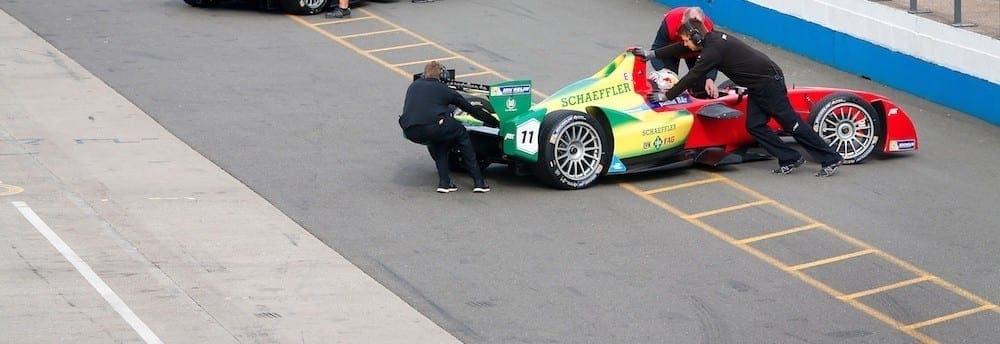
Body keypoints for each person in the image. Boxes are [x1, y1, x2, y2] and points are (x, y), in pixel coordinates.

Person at [633, 18, 843, 177]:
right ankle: (790, 158)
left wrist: (667, 96)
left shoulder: (713, 50)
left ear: (696, 36)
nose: (685, 44)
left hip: (769, 82)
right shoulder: (709, 40)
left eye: (687, 40)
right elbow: (679, 48)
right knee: (755, 125)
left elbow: (692, 76)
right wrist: (650, 54)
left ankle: (831, 158)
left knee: (792, 124)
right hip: (758, 84)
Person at [398, 61, 500, 193]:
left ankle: (444, 183)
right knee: (461, 133)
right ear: (441, 75)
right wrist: (494, 123)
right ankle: (478, 182)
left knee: (440, 141)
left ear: (424, 74)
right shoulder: (444, 90)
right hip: (432, 127)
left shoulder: (413, 86)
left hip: (410, 130)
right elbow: (471, 109)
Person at [649, 7, 718, 98]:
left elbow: (713, 57)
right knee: (667, 83)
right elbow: (655, 50)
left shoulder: (707, 28)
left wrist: (710, 78)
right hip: (670, 51)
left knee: (701, 87)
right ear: (682, 21)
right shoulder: (670, 21)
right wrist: (663, 70)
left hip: (696, 52)